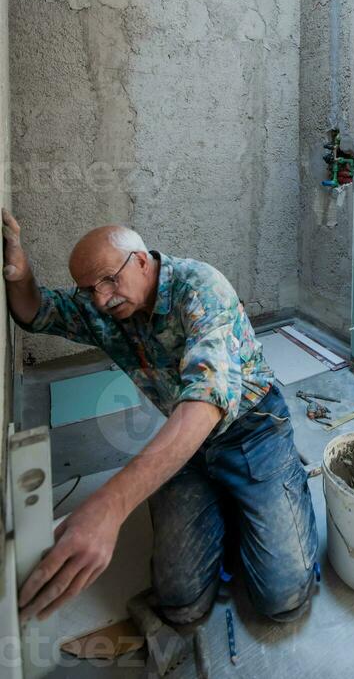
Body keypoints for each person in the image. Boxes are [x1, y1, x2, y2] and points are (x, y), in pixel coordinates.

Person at [2, 209, 318, 626]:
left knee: (282, 600)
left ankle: (283, 476)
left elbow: (206, 402)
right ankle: (229, 497)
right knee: (179, 603)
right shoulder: (101, 305)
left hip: (253, 430)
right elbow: (35, 311)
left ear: (141, 260)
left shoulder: (201, 288)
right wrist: (19, 271)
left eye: (109, 279)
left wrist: (112, 503)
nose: (100, 298)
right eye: (88, 289)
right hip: (186, 442)